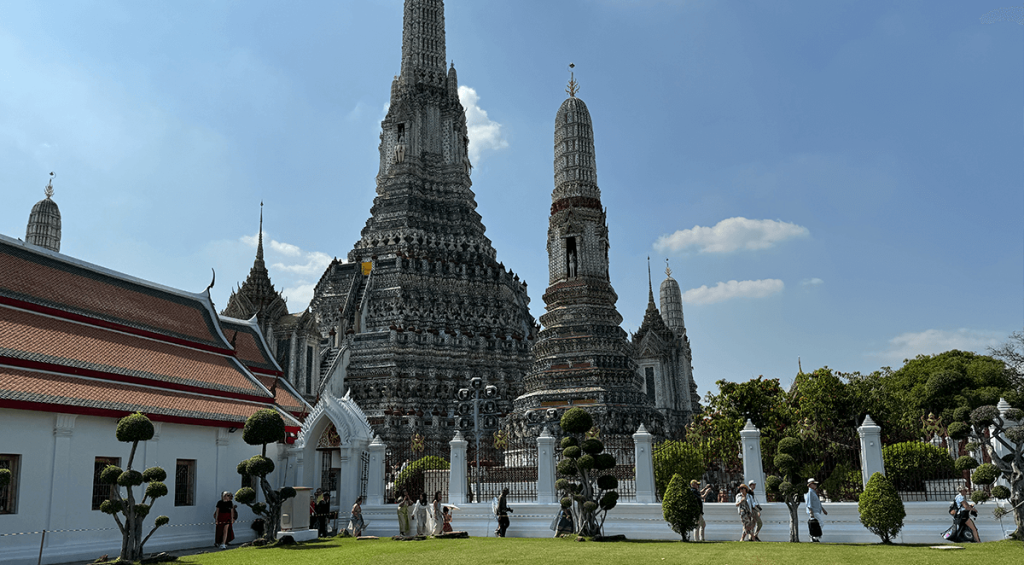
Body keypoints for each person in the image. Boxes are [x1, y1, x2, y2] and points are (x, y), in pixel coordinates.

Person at [806, 478, 827, 542]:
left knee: (816, 524)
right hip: (814, 511)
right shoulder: (810, 493)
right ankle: (814, 536)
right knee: (820, 523)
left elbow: (817, 502)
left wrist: (823, 509)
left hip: (817, 510)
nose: (815, 485)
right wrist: (811, 512)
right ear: (810, 485)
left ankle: (814, 537)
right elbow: (809, 503)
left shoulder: (814, 492)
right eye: (814, 484)